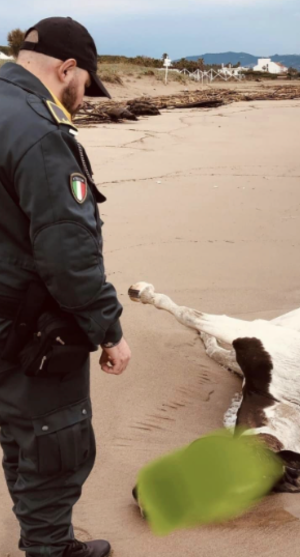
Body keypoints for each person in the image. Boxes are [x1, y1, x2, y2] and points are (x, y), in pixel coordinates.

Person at [0, 17, 130, 557]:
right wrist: (108, 329)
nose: (83, 98)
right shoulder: (40, 130)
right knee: (53, 441)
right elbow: (67, 253)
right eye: (85, 85)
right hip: (27, 321)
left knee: (18, 430)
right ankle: (50, 549)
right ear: (67, 68)